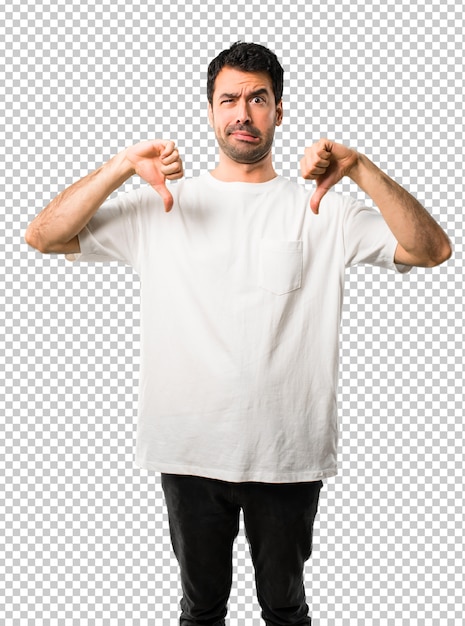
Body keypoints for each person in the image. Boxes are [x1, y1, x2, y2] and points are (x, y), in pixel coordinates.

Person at [25, 42, 451, 626]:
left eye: (258, 99)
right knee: (201, 610)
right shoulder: (164, 205)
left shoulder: (321, 208)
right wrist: (123, 165)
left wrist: (359, 168)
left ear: (279, 110)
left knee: (284, 607)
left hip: (288, 453)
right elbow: (43, 236)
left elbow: (433, 251)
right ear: (210, 111)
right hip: (189, 451)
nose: (243, 113)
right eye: (229, 99)